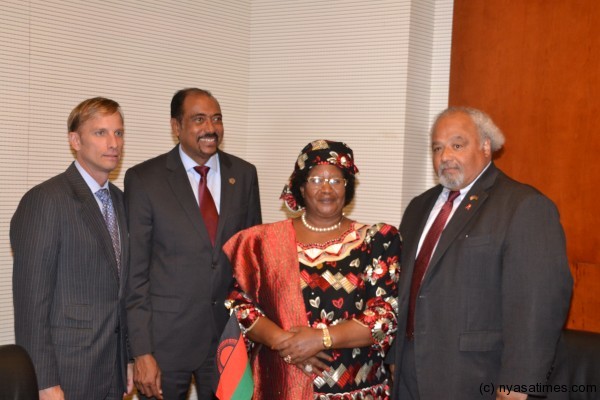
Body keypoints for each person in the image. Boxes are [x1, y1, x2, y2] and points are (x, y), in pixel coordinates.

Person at [389, 107, 573, 399]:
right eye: (438, 147)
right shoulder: (418, 208)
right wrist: (394, 358)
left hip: (474, 377)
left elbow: (538, 304)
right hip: (409, 374)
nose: (445, 156)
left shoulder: (524, 206)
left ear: (486, 146)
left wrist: (519, 384)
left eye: (457, 145)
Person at [223, 139, 401, 399]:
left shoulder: (377, 240)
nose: (326, 189)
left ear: (347, 186)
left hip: (357, 390)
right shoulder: (262, 241)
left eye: (336, 180)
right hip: (280, 384)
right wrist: (286, 344)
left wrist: (321, 338)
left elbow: (384, 316)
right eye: (316, 180)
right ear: (301, 187)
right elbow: (239, 305)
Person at [125, 88, 262, 399]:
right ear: (176, 126)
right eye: (199, 119)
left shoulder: (243, 175)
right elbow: (136, 275)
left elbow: (251, 265)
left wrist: (254, 334)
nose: (210, 128)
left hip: (227, 340)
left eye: (216, 119)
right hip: (165, 346)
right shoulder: (145, 179)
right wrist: (141, 352)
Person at [11, 97, 132, 399]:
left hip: (112, 371)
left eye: (118, 133)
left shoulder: (123, 202)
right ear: (75, 140)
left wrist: (128, 357)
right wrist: (43, 381)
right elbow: (31, 304)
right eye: (100, 133)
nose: (113, 142)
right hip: (67, 374)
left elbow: (124, 292)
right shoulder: (45, 200)